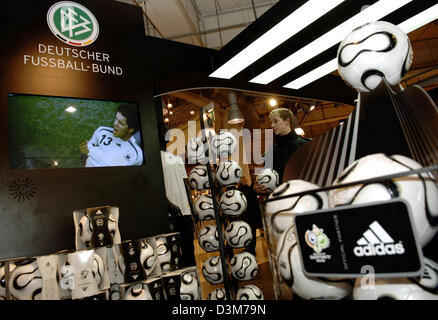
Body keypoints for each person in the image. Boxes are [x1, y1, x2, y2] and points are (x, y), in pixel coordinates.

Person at [254, 108, 310, 194]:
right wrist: (258, 187)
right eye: (271, 122)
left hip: (304, 198)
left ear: (287, 121)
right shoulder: (270, 152)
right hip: (278, 200)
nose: (272, 125)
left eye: (275, 121)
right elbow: (266, 178)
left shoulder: (305, 145)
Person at [79, 104, 143, 167]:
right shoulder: (102, 131)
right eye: (116, 119)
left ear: (130, 130)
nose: (115, 123)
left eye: (120, 123)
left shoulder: (136, 155)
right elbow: (87, 151)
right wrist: (85, 151)